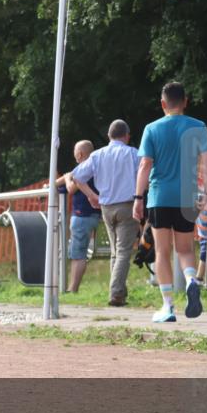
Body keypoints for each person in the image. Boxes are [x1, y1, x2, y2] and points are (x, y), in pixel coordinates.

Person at [132, 82, 207, 322]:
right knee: (186, 249)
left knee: (162, 252)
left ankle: (167, 307)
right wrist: (206, 195)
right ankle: (190, 281)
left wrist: (138, 198)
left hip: (160, 196)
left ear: (163, 103)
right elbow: (206, 162)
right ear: (185, 101)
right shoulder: (198, 127)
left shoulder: (152, 129)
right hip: (187, 196)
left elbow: (145, 165)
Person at [69, 119, 140, 306]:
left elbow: (76, 176)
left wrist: (92, 195)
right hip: (127, 206)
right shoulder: (133, 154)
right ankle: (116, 292)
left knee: (115, 252)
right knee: (124, 251)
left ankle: (119, 291)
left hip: (106, 207)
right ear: (127, 136)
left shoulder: (97, 155)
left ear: (109, 136)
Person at [56, 140, 100, 293]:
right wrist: (52, 184)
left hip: (82, 216)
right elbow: (68, 176)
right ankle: (72, 288)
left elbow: (71, 187)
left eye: (75, 152)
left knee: (78, 254)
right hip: (95, 214)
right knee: (80, 252)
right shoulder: (95, 165)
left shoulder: (84, 169)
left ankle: (72, 289)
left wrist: (68, 179)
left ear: (80, 154)